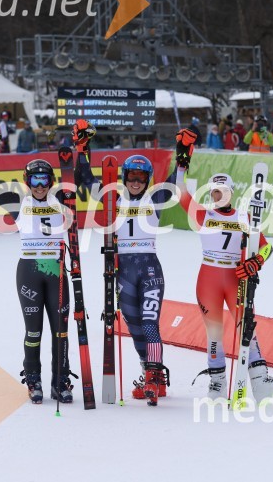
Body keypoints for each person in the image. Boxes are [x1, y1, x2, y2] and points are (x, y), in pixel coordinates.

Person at [173, 139, 273, 401]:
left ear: (231, 192)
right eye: (215, 192)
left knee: (247, 329)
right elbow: (180, 192)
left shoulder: (244, 217)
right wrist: (182, 165)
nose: (219, 195)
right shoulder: (203, 215)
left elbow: (267, 248)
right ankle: (217, 385)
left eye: (223, 191)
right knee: (213, 333)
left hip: (236, 279)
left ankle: (260, 383)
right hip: (209, 280)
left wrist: (256, 262)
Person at [72, 120, 175, 406]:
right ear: (124, 176)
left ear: (148, 179)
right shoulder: (112, 198)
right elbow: (85, 178)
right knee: (134, 326)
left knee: (150, 323)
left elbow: (176, 181)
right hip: (123, 270)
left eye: (141, 177)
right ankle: (150, 373)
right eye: (131, 175)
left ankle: (154, 377)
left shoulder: (156, 199)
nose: (136, 181)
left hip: (149, 269)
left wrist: (183, 155)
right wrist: (82, 148)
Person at [0, 132, 74, 404]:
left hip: (56, 271)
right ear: (27, 182)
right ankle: (34, 379)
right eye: (34, 180)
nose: (40, 186)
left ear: (51, 181)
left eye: (44, 180)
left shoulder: (61, 200)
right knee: (33, 332)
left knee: (61, 332)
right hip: (29, 271)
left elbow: (83, 181)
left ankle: (60, 380)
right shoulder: (19, 201)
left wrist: (82, 150)